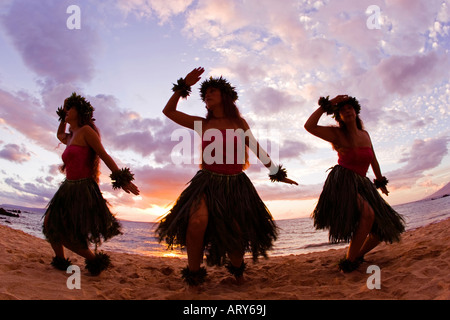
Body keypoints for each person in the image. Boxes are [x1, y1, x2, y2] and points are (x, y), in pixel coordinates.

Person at [157, 67, 297, 286]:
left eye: (213, 90)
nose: (207, 95)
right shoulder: (202, 124)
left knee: (235, 234)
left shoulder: (239, 124)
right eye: (205, 93)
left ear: (225, 96)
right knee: (196, 222)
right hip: (206, 183)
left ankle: (238, 273)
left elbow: (257, 148)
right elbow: (169, 111)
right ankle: (194, 277)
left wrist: (277, 174)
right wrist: (184, 85)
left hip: (235, 185)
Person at [304, 95, 405, 273]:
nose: (347, 111)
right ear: (339, 116)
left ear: (356, 111)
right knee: (367, 213)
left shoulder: (365, 135)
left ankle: (357, 255)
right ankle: (348, 264)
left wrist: (380, 181)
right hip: (342, 182)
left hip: (362, 182)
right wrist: (329, 103)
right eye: (342, 110)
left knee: (383, 228)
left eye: (349, 108)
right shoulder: (337, 134)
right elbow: (309, 126)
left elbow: (373, 159)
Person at [43, 92, 140, 275]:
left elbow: (104, 155)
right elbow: (59, 134)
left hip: (82, 190)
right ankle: (61, 261)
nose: (66, 111)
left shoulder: (86, 132)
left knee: (62, 231)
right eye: (65, 109)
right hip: (67, 188)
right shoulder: (71, 136)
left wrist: (122, 179)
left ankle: (95, 261)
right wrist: (63, 116)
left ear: (79, 112)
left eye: (69, 108)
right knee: (49, 223)